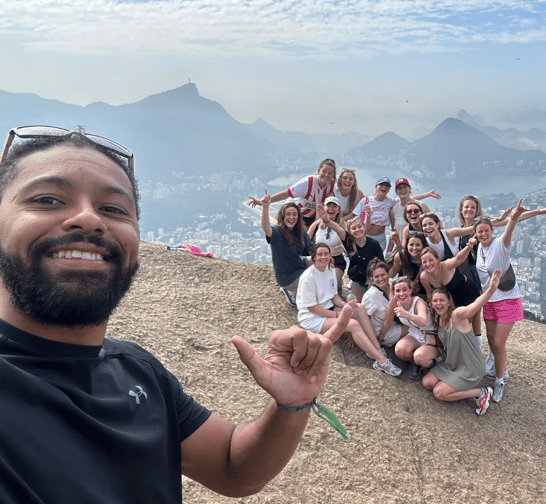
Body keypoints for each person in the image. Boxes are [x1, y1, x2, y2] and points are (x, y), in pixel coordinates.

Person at [0, 125, 345, 502]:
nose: (88, 219)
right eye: (48, 200)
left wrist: (290, 405)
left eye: (113, 208)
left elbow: (234, 468)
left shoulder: (137, 370)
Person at [475, 199, 546, 403]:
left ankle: (500, 380)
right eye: (480, 232)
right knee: (492, 342)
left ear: (491, 231)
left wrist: (515, 216)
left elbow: (509, 229)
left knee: (499, 344)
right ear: (476, 234)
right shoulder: (478, 249)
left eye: (486, 231)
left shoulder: (500, 245)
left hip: (507, 299)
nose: (483, 234)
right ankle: (498, 370)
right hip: (489, 301)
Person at [296, 244, 401, 377]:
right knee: (352, 324)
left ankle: (377, 349)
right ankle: (381, 361)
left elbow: (333, 296)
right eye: (320, 254)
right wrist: (338, 314)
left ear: (330, 255)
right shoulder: (308, 277)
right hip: (312, 318)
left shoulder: (330, 271)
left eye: (326, 254)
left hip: (329, 307)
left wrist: (345, 305)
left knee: (359, 307)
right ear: (314, 257)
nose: (323, 257)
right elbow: (312, 308)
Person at [421, 270, 502, 416]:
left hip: (470, 367)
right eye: (435, 301)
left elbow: (475, 305)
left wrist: (491, 289)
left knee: (439, 393)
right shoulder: (438, 318)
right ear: (431, 303)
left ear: (449, 302)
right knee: (427, 383)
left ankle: (480, 393)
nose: (438, 304)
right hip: (452, 364)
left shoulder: (456, 316)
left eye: (442, 300)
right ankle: (455, 382)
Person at [250, 190, 312, 308]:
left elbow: (312, 250)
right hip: (286, 275)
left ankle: (297, 289)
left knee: (319, 260)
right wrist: (265, 208)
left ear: (298, 217)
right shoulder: (277, 232)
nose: (291, 217)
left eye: (294, 214)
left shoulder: (301, 231)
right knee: (314, 278)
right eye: (288, 214)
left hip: (297, 265)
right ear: (282, 216)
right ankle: (290, 290)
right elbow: (266, 228)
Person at [419, 240, 482, 347]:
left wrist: (469, 246)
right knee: (453, 325)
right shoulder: (424, 277)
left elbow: (459, 258)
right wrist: (432, 312)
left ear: (437, 259)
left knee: (467, 321)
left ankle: (477, 342)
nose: (428, 264)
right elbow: (430, 295)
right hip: (452, 300)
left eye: (431, 260)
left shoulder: (446, 265)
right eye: (424, 262)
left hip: (468, 292)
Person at [249, 158, 337, 227]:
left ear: (333, 175)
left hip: (311, 217)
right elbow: (285, 194)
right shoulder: (307, 183)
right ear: (319, 171)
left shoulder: (331, 186)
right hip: (296, 212)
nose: (326, 175)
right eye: (324, 171)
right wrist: (264, 202)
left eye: (330, 173)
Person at [380, 276, 429, 380]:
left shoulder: (418, 302)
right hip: (415, 333)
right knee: (400, 350)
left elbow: (423, 321)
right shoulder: (394, 302)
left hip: (430, 335)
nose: (401, 294)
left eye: (404, 290)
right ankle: (416, 364)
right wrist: (380, 338)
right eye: (398, 291)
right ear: (393, 293)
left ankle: (430, 364)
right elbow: (388, 321)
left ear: (410, 291)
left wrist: (407, 315)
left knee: (421, 356)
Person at [362, 260, 407, 350]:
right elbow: (363, 317)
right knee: (415, 328)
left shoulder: (392, 283)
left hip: (395, 323)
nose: (381, 279)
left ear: (388, 274)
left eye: (383, 275)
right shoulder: (370, 296)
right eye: (376, 276)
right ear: (372, 278)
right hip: (382, 332)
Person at [307, 196, 346, 295]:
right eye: (328, 206)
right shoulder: (316, 224)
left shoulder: (343, 225)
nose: (331, 209)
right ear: (324, 208)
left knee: (331, 287)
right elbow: (306, 242)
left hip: (336, 259)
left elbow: (347, 241)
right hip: (319, 258)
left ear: (338, 210)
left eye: (334, 206)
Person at [341, 217, 385, 301]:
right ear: (350, 232)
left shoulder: (374, 244)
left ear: (364, 228)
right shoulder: (350, 244)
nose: (357, 230)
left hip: (374, 280)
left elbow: (382, 265)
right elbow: (338, 230)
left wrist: (373, 280)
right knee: (357, 306)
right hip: (358, 281)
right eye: (354, 228)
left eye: (359, 226)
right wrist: (327, 221)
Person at [351, 177, 397, 252]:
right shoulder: (365, 201)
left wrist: (423, 195)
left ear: (388, 190)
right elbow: (353, 216)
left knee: (377, 262)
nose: (384, 187)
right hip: (366, 238)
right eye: (381, 185)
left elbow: (407, 199)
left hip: (381, 240)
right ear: (376, 187)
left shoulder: (390, 202)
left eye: (387, 186)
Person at [391, 178, 440, 246]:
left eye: (405, 187)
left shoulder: (421, 206)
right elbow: (393, 232)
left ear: (410, 189)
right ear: (396, 192)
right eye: (399, 188)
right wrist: (389, 251)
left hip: (423, 246)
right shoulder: (394, 210)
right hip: (403, 247)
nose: (402, 189)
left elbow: (436, 225)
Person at [388, 231, 428, 300]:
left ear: (423, 246)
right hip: (403, 294)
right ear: (407, 245)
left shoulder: (428, 258)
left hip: (423, 294)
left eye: (418, 245)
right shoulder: (401, 257)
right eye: (411, 245)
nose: (414, 248)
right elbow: (391, 274)